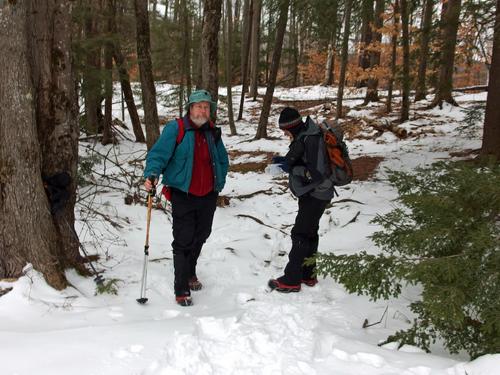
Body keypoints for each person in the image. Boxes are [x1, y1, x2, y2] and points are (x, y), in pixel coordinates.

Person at [143, 90, 229, 306]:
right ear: (190, 108)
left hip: (208, 194)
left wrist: (219, 181)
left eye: (207, 107)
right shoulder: (177, 129)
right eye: (199, 106)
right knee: (183, 240)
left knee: (202, 234)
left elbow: (222, 160)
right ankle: (181, 287)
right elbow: (158, 155)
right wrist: (152, 174)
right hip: (183, 193)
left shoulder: (212, 132)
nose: (203, 110)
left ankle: (190, 271)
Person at [268, 107, 335, 293]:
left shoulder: (310, 139)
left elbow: (315, 174)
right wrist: (284, 161)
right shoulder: (306, 135)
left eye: (285, 129)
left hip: (316, 193)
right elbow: (303, 160)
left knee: (300, 234)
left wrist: (290, 169)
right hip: (315, 192)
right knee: (310, 233)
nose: (284, 133)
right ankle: (309, 275)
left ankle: (291, 279)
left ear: (292, 127)